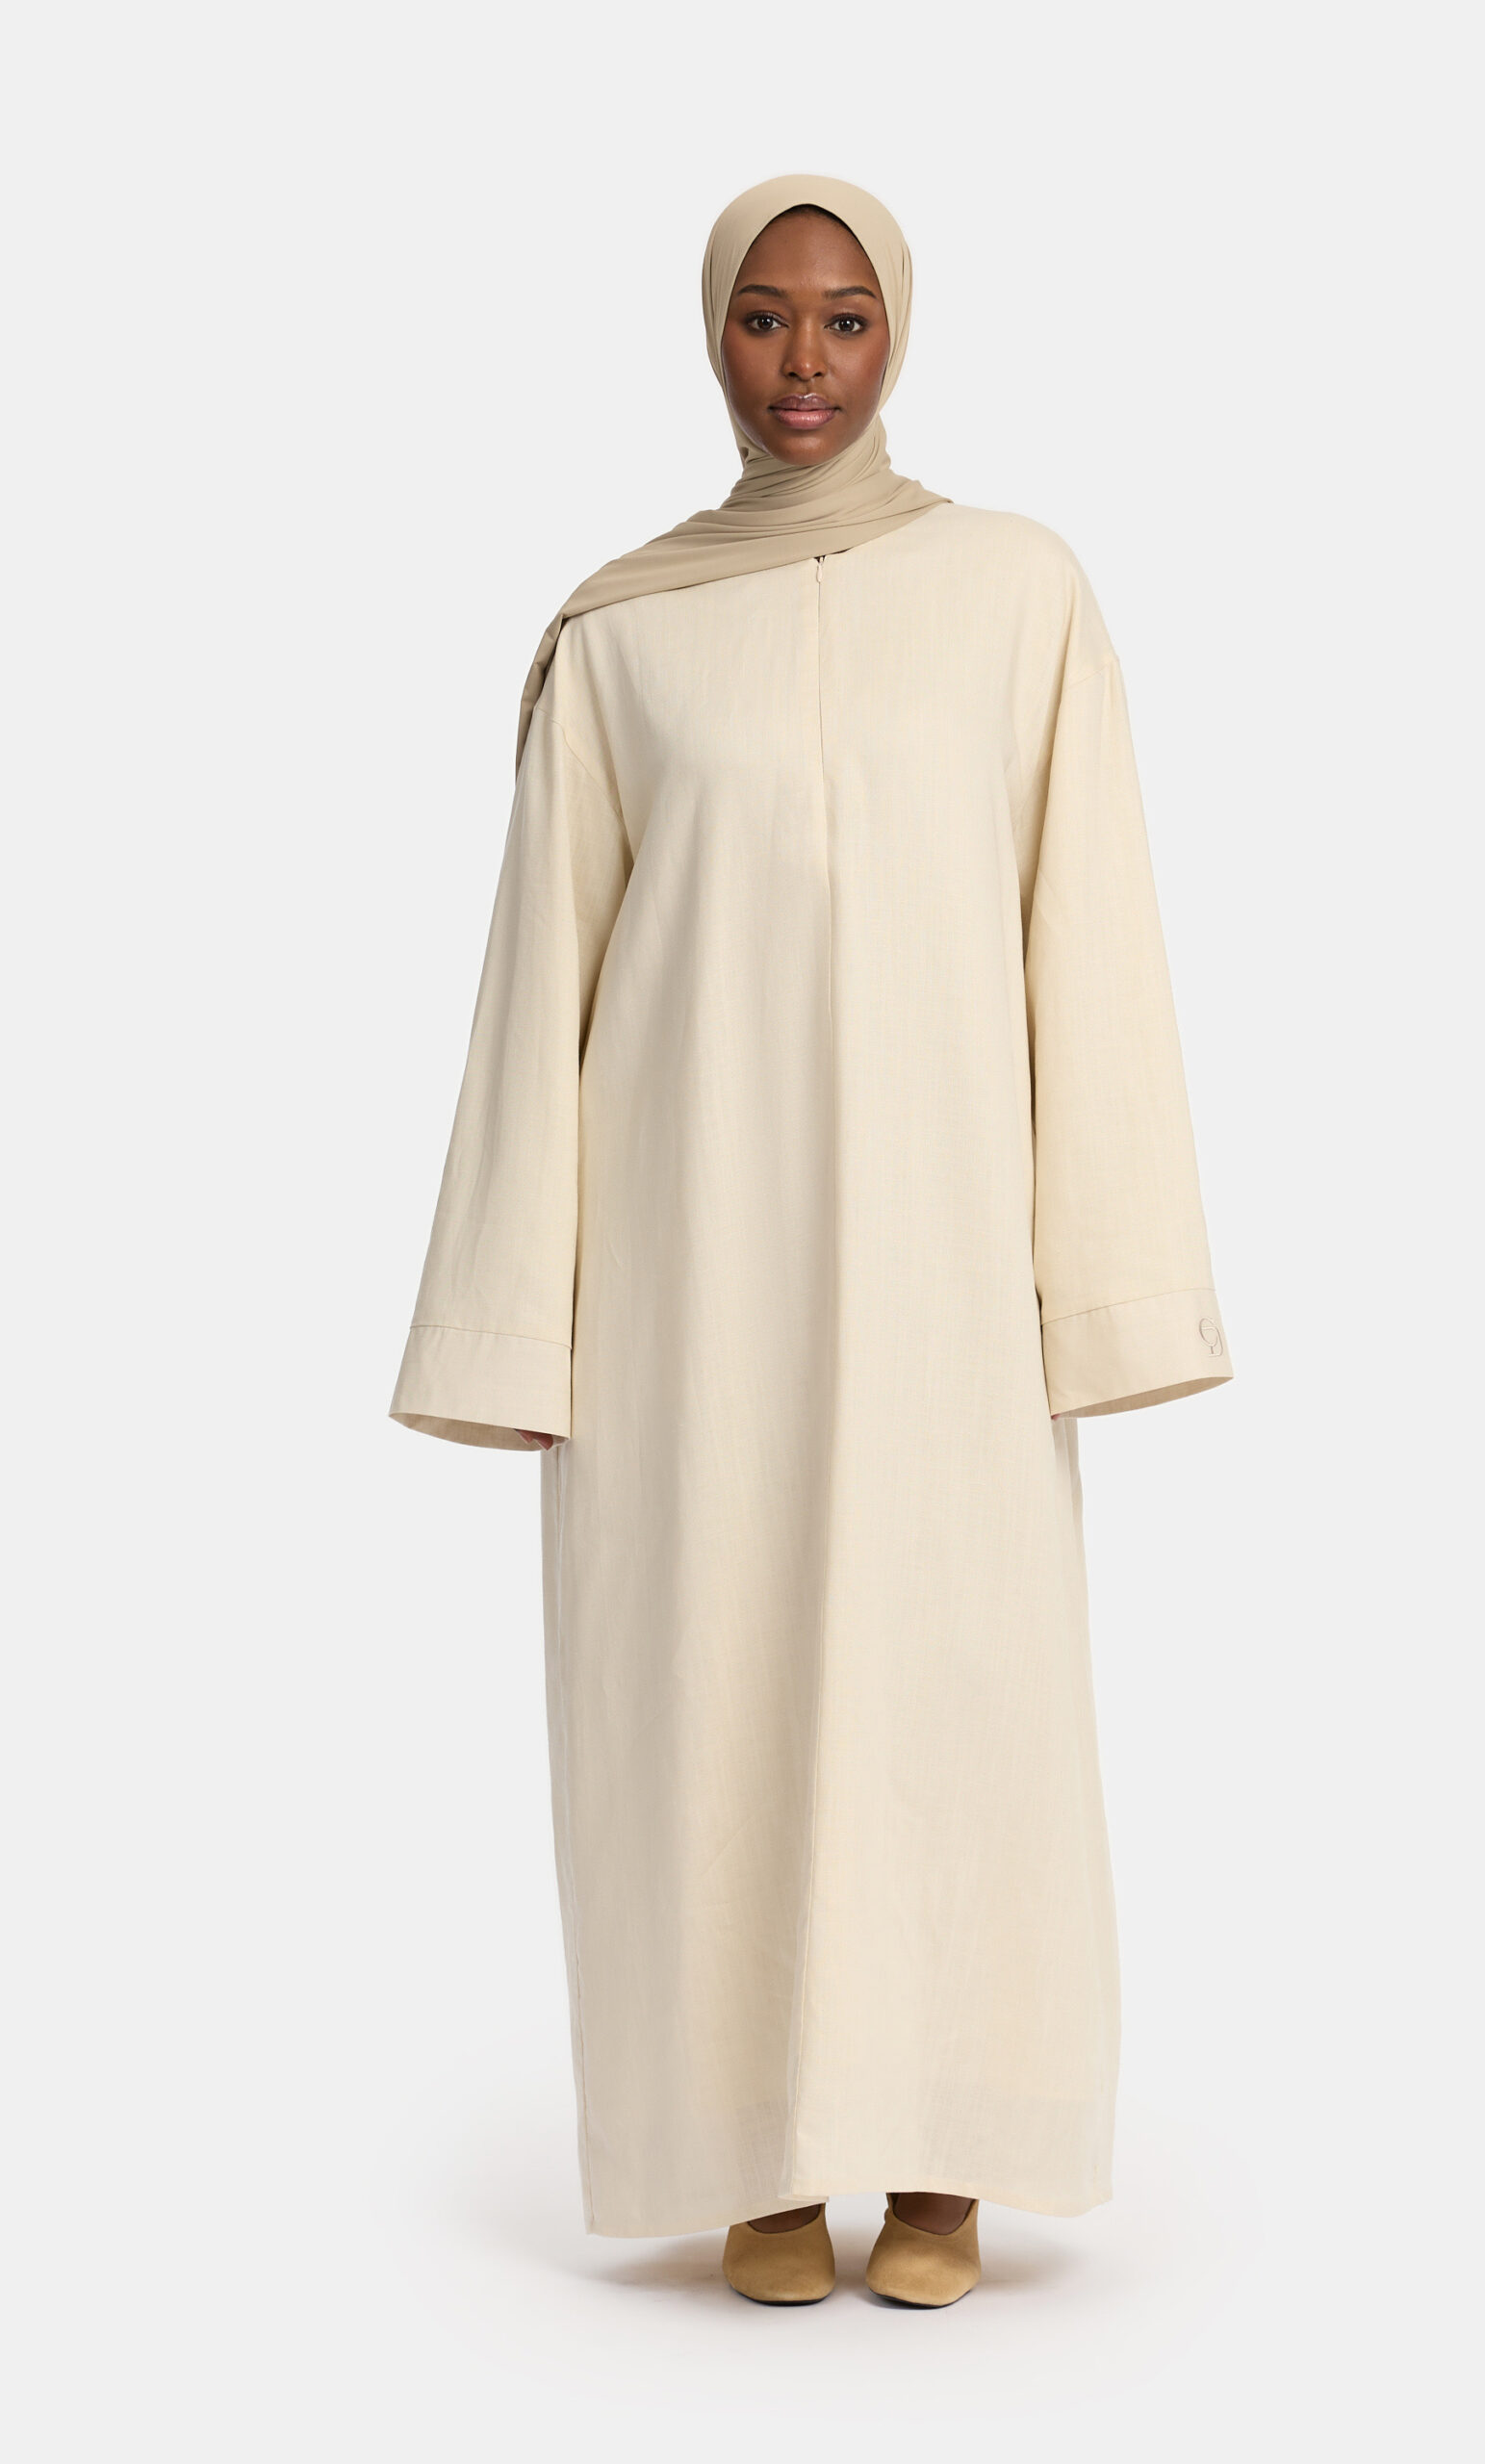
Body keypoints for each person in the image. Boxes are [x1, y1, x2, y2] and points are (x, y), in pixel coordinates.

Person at [390, 173, 1232, 2309]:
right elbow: (541, 991)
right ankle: (751, 2148)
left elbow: (1090, 941)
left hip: (947, 1270)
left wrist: (1109, 1287)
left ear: (897, 334)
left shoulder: (1019, 590)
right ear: (711, 334)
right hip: (691, 1277)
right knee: (712, 1686)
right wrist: (514, 1325)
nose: (803, 362)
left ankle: (946, 2150)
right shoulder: (624, 635)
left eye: (843, 318)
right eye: (764, 317)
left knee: (958, 1682)